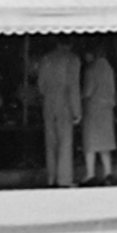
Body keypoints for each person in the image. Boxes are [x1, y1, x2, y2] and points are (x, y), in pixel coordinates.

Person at [36, 37, 82, 187]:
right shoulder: (72, 59)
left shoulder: (46, 58)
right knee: (65, 142)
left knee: (50, 141)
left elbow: (40, 86)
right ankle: (64, 179)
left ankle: (51, 177)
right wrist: (77, 110)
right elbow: (73, 86)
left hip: (48, 102)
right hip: (65, 102)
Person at [79, 41, 116, 186]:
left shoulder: (91, 69)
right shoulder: (109, 68)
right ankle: (108, 173)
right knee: (105, 143)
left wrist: (80, 97)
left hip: (93, 109)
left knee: (91, 143)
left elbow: (88, 91)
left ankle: (90, 174)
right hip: (107, 108)